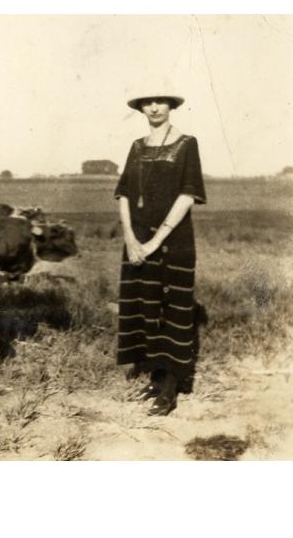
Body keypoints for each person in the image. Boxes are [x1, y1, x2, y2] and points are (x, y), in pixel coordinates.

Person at [114, 89, 206, 416]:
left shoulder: (186, 143)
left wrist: (154, 243)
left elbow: (188, 195)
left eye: (160, 102)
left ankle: (169, 389)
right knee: (145, 308)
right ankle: (155, 377)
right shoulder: (137, 147)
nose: (153, 107)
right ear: (141, 108)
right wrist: (130, 240)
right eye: (147, 103)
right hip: (136, 243)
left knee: (171, 312)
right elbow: (123, 193)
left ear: (171, 107)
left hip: (173, 243)